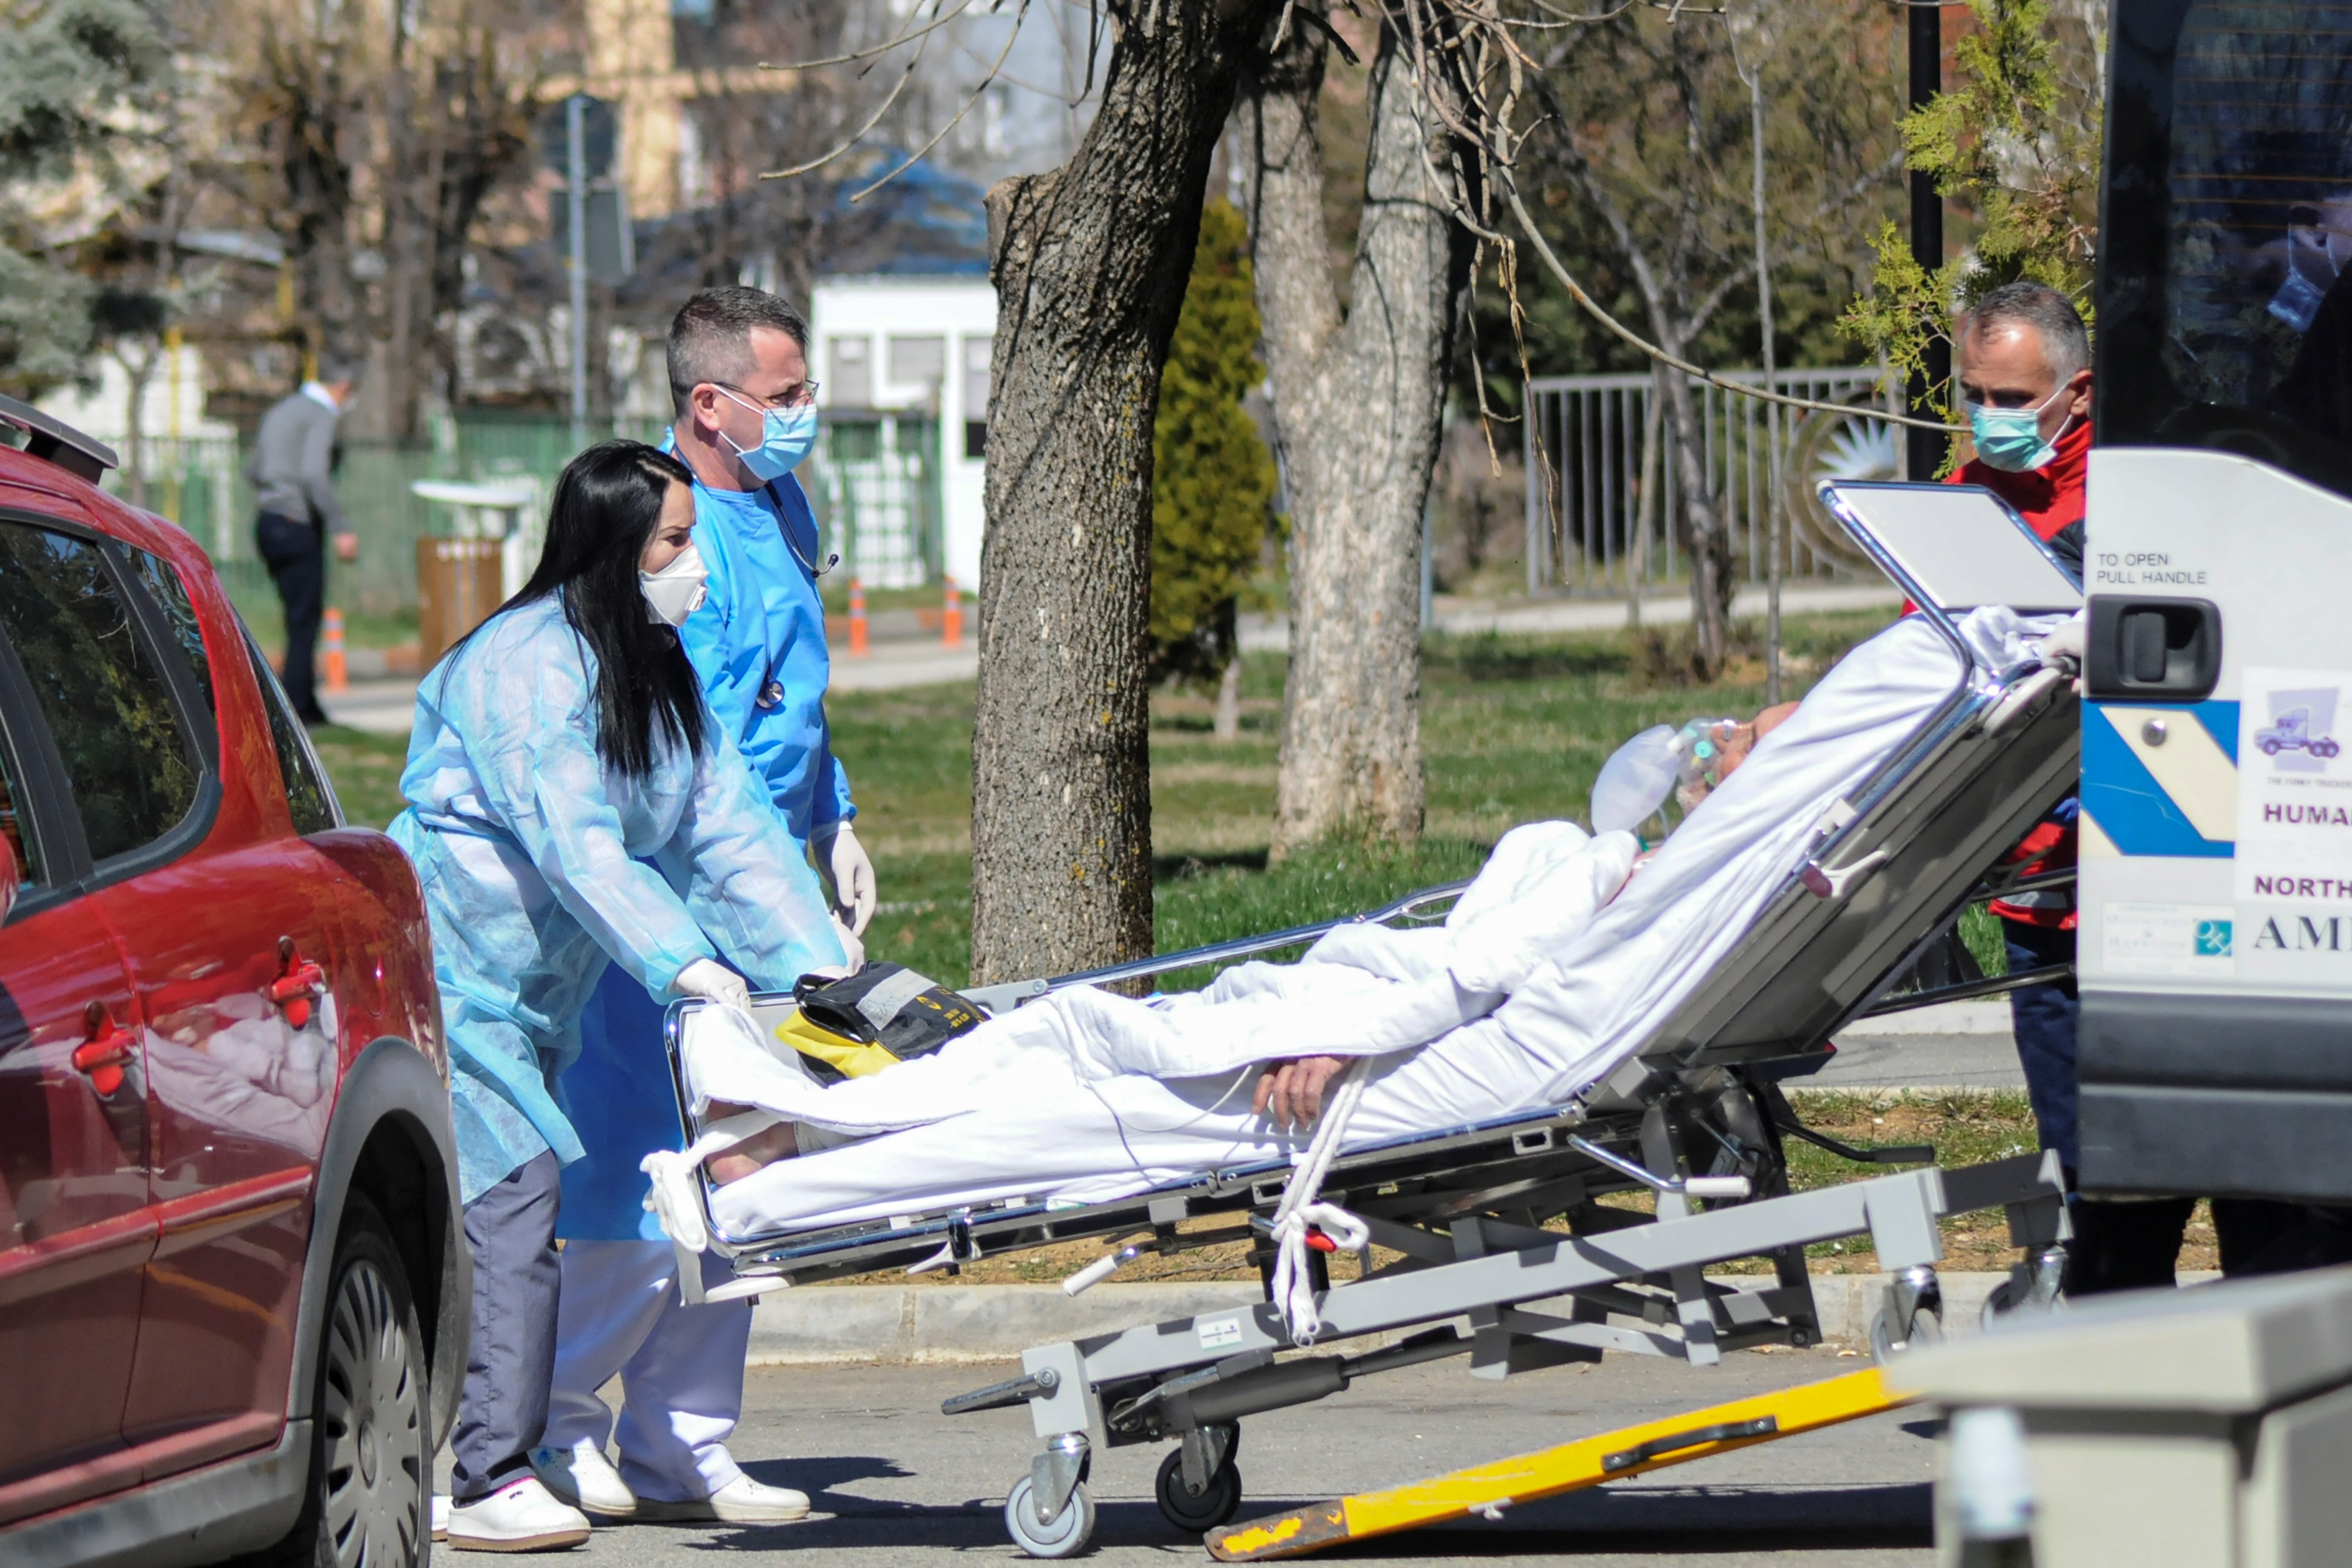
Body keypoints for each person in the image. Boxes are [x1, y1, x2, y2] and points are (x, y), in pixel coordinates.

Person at [390, 441, 845, 1552]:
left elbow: (724, 822)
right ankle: (491, 1466)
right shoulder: (527, 665)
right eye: (675, 544)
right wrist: (682, 957)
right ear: (611, 549)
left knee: (520, 1198)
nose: (695, 568)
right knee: (515, 1200)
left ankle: (523, 1450)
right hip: (450, 974)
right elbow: (579, 841)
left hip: (539, 994)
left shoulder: (650, 660)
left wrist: (817, 964)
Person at [533, 287, 872, 1528]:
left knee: (749, 1161)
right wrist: (742, 899)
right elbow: (674, 748)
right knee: (641, 1169)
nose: (803, 415)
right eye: (782, 396)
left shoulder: (780, 504)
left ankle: (686, 1438)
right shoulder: (664, 535)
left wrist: (834, 823)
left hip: (770, 869)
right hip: (674, 897)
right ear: (708, 404)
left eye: (803, 390)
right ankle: (558, 1420)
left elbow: (796, 692)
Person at [246, 357, 363, 724]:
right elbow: (314, 474)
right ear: (343, 386)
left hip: (268, 521)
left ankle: (304, 701)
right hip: (297, 523)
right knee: (305, 620)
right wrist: (340, 525)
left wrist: (275, 493)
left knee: (294, 615)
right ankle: (298, 707)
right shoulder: (320, 415)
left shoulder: (281, 410)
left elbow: (252, 468)